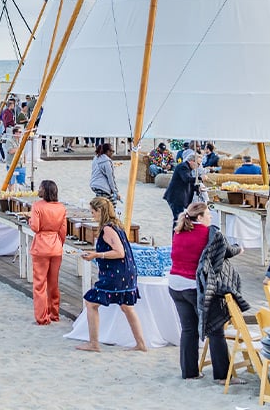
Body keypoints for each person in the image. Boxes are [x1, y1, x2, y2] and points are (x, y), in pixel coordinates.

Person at [168, 200, 245, 382]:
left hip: (174, 284)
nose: (211, 217)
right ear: (200, 217)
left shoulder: (179, 231)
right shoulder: (208, 233)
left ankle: (190, 372)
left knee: (188, 330)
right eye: (208, 215)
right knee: (215, 330)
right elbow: (225, 251)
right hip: (194, 286)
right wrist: (239, 249)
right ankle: (222, 376)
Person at [76, 196, 147, 352]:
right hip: (127, 271)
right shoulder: (117, 225)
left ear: (100, 211)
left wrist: (96, 255)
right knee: (127, 307)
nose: (92, 215)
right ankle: (141, 344)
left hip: (116, 274)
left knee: (91, 303)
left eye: (93, 212)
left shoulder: (108, 229)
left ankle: (94, 344)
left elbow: (119, 252)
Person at [29, 179, 67, 325]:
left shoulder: (37, 206)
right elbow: (63, 230)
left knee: (39, 284)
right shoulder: (61, 208)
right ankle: (54, 313)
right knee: (53, 283)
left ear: (44, 191)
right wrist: (59, 244)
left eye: (40, 188)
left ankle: (42, 317)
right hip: (55, 246)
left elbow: (36, 227)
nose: (38, 190)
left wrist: (30, 221)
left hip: (41, 246)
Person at [163, 150, 200, 222]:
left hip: (179, 197)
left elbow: (187, 183)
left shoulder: (187, 168)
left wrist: (196, 188)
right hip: (176, 197)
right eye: (198, 164)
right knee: (179, 219)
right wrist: (199, 178)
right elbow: (186, 179)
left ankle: (177, 232)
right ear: (191, 161)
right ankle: (176, 233)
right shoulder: (183, 167)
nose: (198, 166)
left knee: (180, 218)